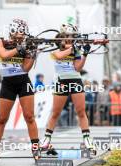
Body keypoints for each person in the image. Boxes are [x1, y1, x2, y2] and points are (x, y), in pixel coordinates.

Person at [0, 18, 40, 162]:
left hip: (23, 82)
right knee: (2, 119)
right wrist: (19, 48)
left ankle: (36, 149)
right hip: (7, 83)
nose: (22, 36)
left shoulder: (27, 44)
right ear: (13, 31)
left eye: (24, 34)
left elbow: (25, 68)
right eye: (20, 33)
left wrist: (32, 53)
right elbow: (3, 55)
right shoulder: (1, 41)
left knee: (29, 117)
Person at [41, 22, 96, 154]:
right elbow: (59, 56)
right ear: (64, 35)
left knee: (81, 112)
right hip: (61, 81)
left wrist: (85, 54)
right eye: (70, 36)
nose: (72, 38)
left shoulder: (75, 48)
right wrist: (73, 47)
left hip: (75, 80)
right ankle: (47, 139)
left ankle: (87, 139)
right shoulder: (55, 46)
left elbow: (78, 67)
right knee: (55, 113)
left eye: (74, 36)